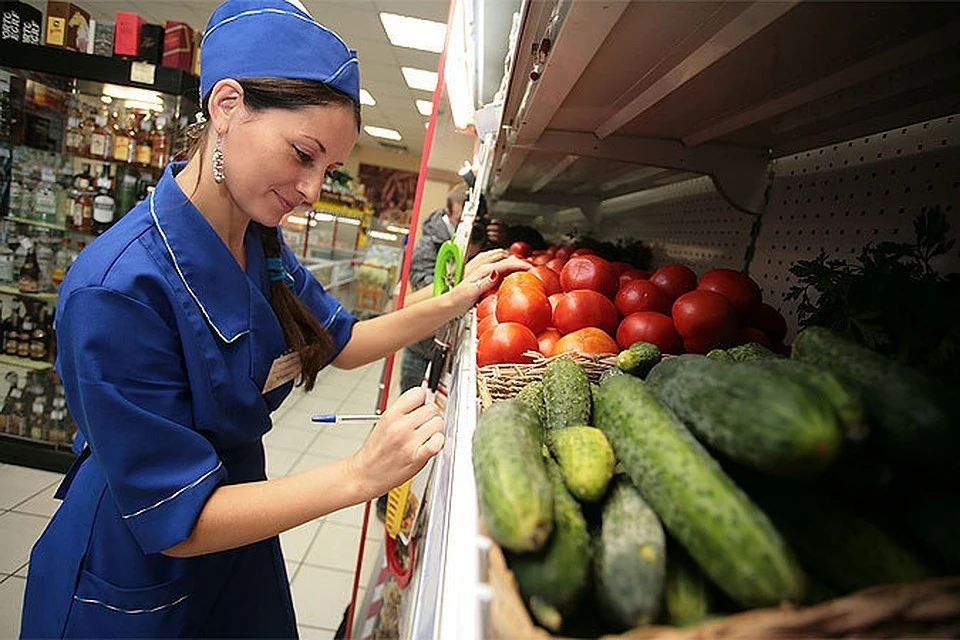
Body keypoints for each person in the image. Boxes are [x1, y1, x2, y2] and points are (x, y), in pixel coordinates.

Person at [19, 1, 527, 637]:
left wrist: (456, 300)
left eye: (328, 169)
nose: (313, 189)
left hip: (241, 531)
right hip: (139, 568)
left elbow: (341, 342)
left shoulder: (260, 242)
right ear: (227, 107)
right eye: (303, 154)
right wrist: (360, 473)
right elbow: (176, 518)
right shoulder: (118, 288)